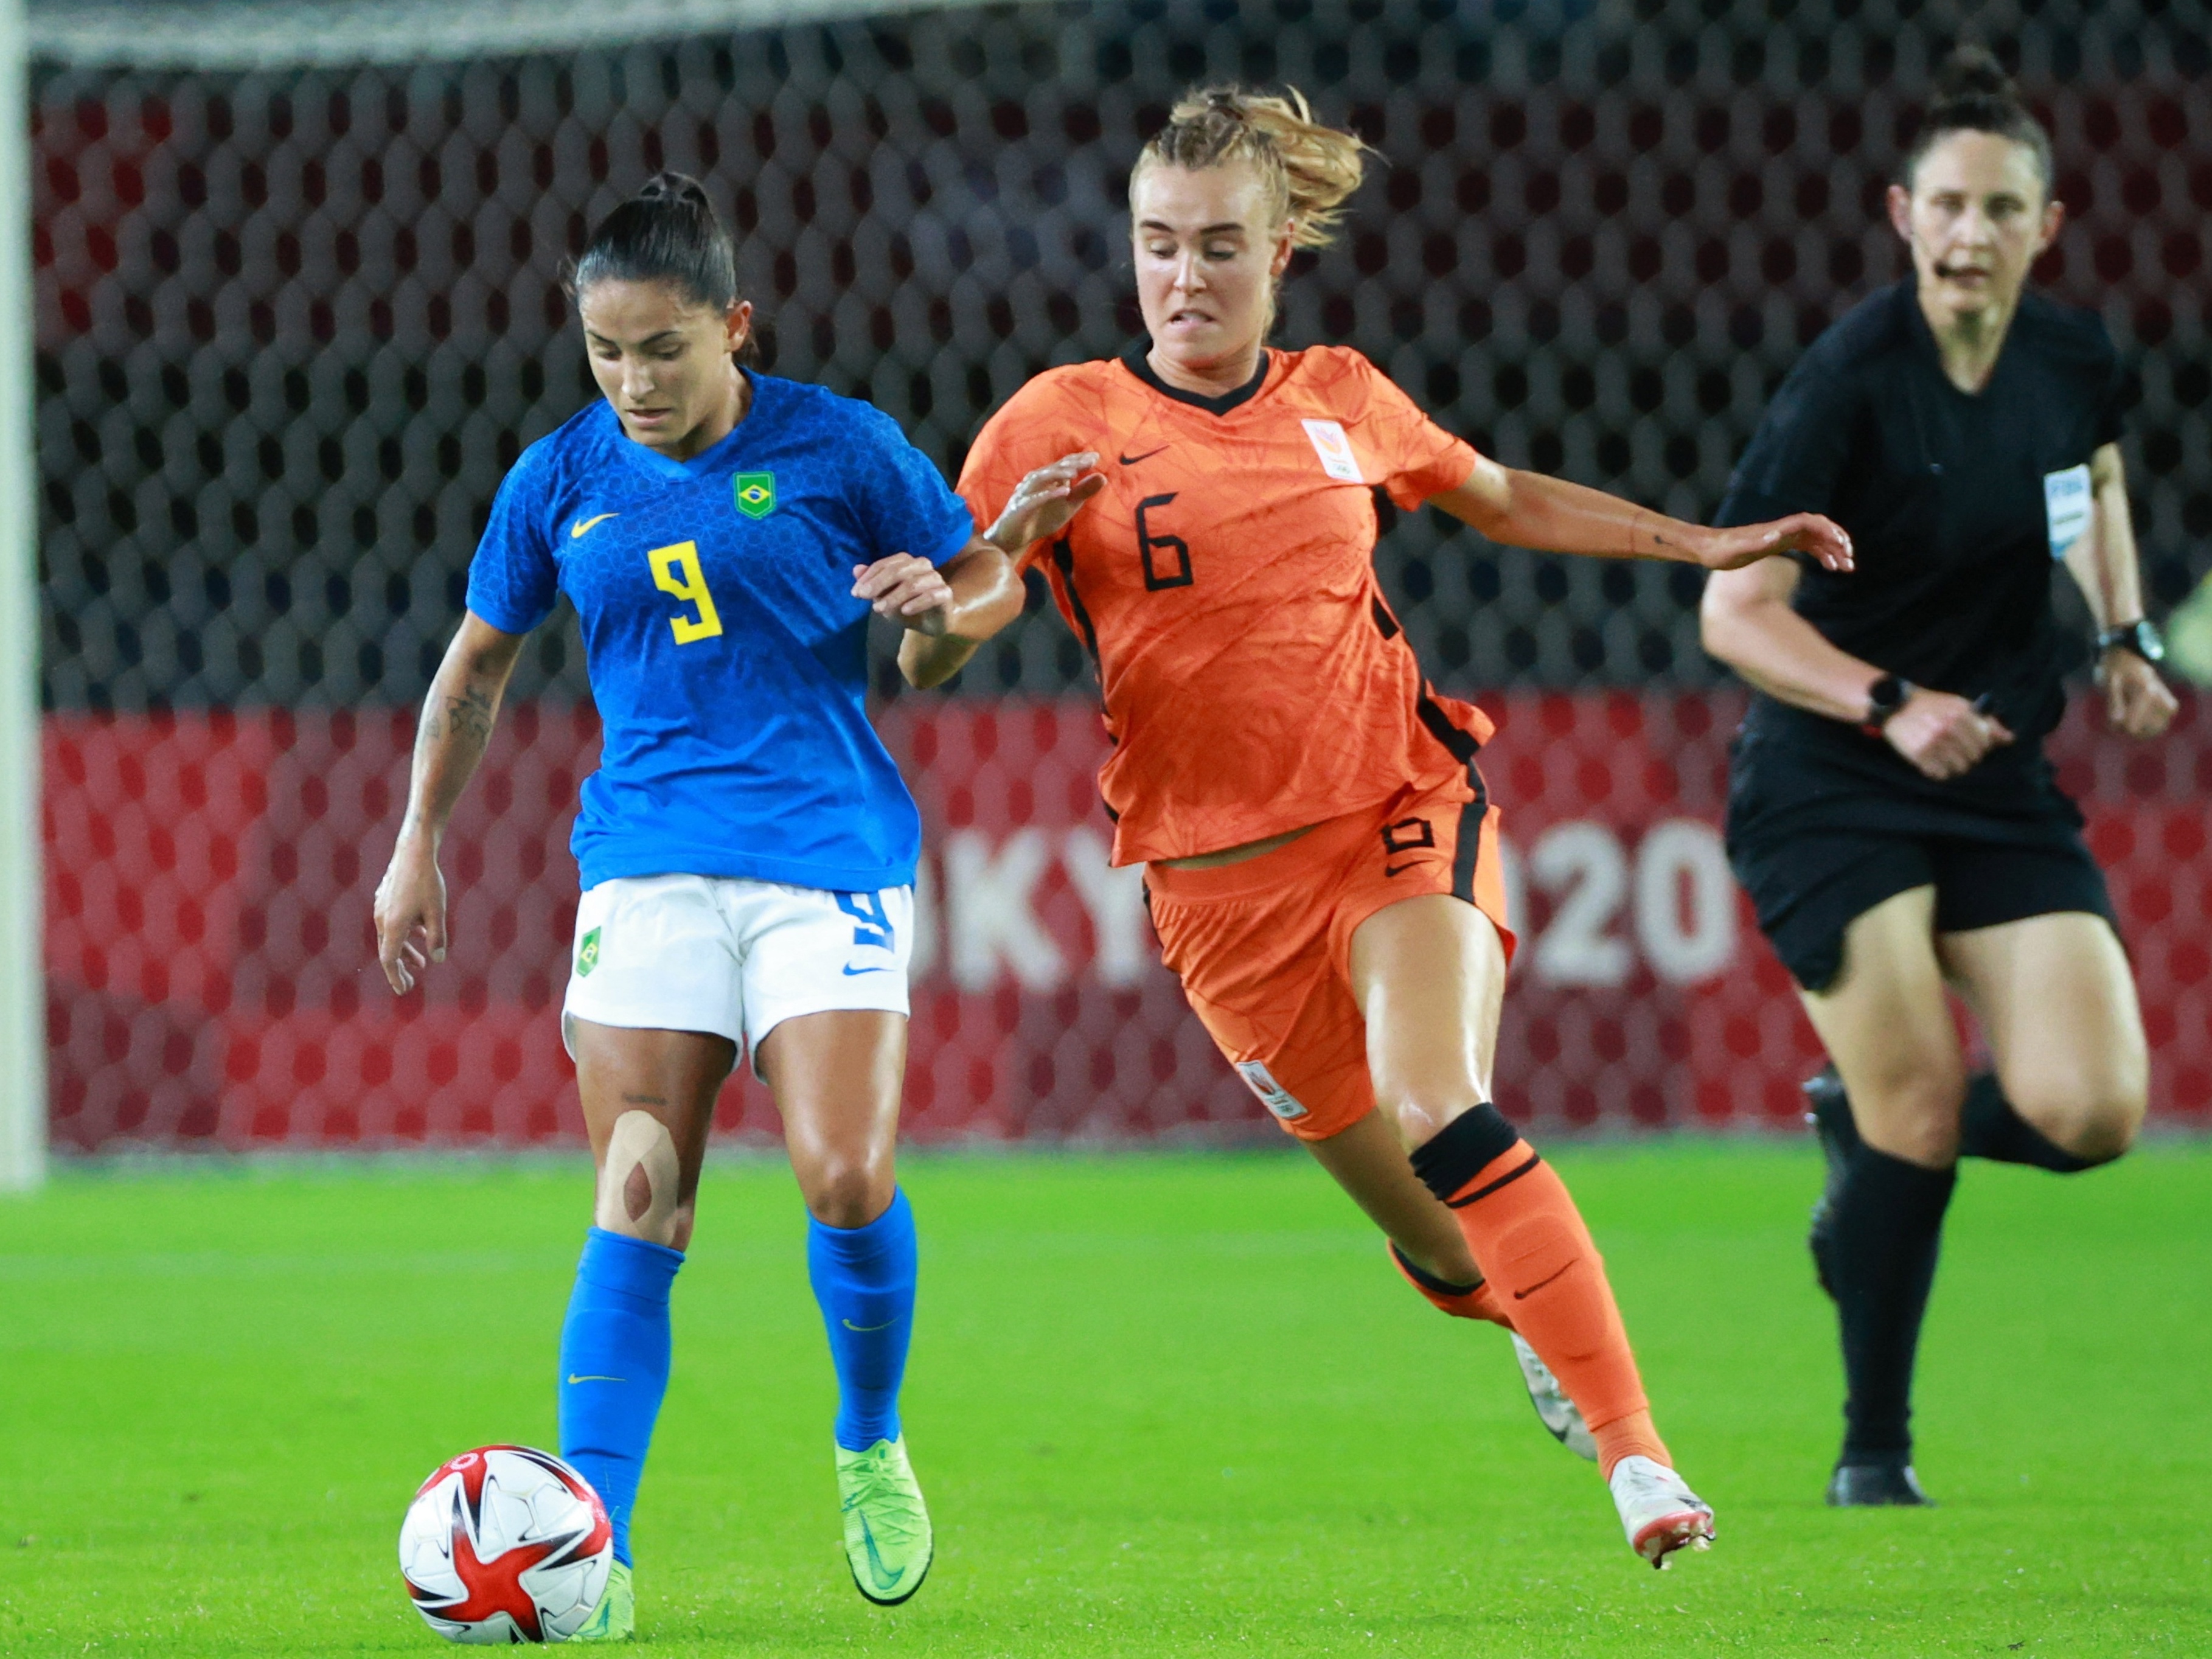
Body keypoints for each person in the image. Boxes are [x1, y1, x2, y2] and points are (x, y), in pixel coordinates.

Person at [868, 86, 1849, 1568]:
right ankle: (1520, 1309)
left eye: (1216, 248)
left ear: (1279, 255)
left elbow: (1503, 497)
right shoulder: (1056, 422)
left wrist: (1704, 541)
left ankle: (1642, 1462)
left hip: (1400, 807)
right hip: (1215, 893)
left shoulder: (1342, 395)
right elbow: (945, 641)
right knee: (1448, 1241)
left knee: (1443, 1100)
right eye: (1156, 247)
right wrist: (982, 563)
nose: (1183, 280)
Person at [372, 173, 1015, 1630]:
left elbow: (985, 573)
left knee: (845, 1176)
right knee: (639, 1195)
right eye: (605, 350)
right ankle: (595, 1554)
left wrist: (948, 611)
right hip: (648, 867)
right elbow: (474, 672)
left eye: (663, 347)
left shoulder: (841, 445)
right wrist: (417, 841)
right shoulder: (559, 479)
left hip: (826, 854)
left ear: (734, 324)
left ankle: (867, 1439)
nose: (633, 381)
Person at [1700, 49, 2178, 1507]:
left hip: (1995, 768)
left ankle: (1864, 1138)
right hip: (1832, 773)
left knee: (2095, 1112)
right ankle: (1874, 1453)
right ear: (1903, 214)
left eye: (2004, 208)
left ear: (2049, 224)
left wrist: (2123, 633)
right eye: (1950, 206)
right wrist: (1888, 701)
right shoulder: (1847, 385)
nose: (1973, 234)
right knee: (1920, 1099)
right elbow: (1733, 611)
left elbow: (2089, 485)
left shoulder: (2074, 359)